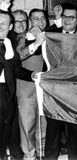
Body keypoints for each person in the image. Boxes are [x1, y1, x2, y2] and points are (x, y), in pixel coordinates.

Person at [44, 3, 77, 160]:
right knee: (52, 130)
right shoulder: (50, 34)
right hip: (53, 91)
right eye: (65, 16)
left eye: (71, 17)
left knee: (74, 131)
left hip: (74, 91)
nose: (67, 20)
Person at [0, 9, 35, 160]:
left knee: (7, 132)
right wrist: (35, 45)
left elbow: (15, 68)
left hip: (7, 93)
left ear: (10, 27)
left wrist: (33, 75)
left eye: (3, 24)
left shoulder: (9, 43)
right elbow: (9, 63)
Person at [16, 9, 48, 160]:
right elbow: (21, 54)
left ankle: (40, 153)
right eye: (36, 19)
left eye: (43, 19)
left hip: (44, 91)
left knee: (43, 124)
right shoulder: (22, 37)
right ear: (30, 21)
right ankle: (29, 156)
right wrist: (36, 42)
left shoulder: (49, 36)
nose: (40, 22)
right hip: (26, 91)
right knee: (27, 126)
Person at [7, 10, 28, 160]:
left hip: (23, 90)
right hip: (8, 89)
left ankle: (16, 153)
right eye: (17, 21)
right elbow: (16, 68)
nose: (21, 24)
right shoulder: (8, 39)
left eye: (24, 21)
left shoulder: (29, 36)